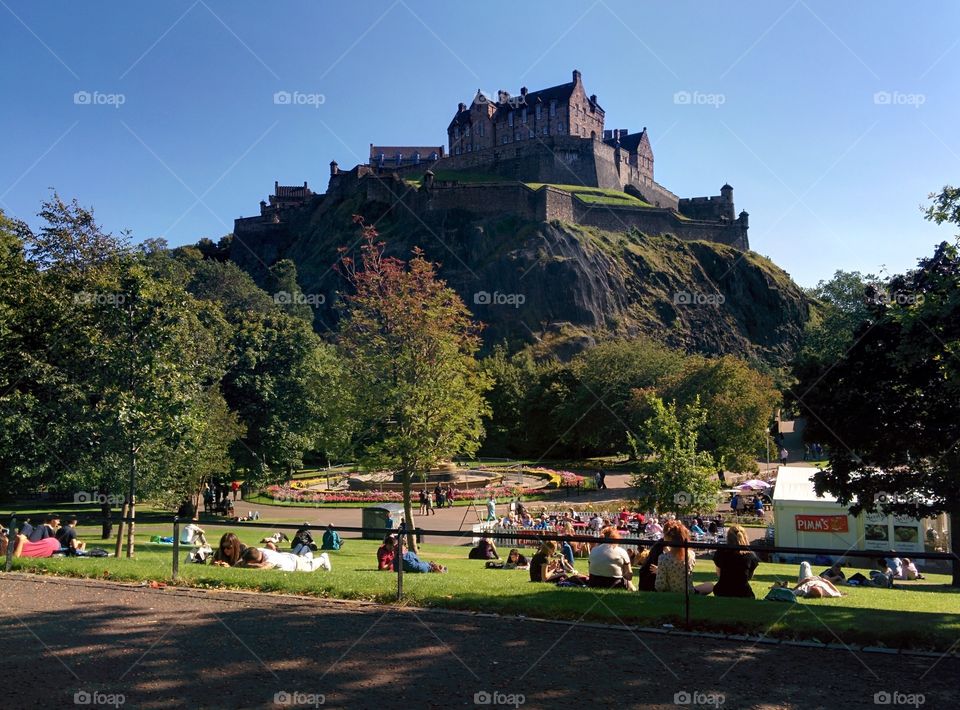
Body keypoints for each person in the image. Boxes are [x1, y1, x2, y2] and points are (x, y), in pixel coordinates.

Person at [707, 525, 760, 598]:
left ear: (728, 537)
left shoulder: (721, 552)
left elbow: (719, 574)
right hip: (743, 593)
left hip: (722, 591)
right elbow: (749, 577)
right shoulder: (751, 556)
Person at [655, 520, 696, 594]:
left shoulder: (663, 558)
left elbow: (659, 586)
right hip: (689, 593)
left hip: (670, 594)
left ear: (668, 537)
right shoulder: (691, 555)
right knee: (708, 586)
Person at [238, 546, 331, 572]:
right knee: (305, 559)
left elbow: (263, 567)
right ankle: (307, 553)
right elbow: (245, 548)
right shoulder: (257, 550)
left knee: (310, 567)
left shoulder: (271, 559)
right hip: (288, 558)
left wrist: (246, 565)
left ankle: (323, 557)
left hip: (296, 564)